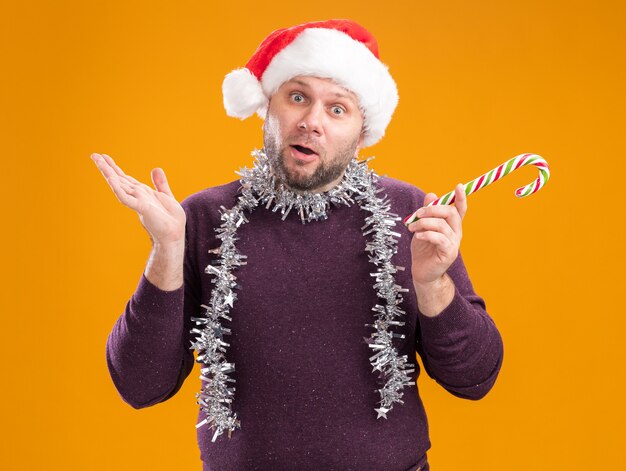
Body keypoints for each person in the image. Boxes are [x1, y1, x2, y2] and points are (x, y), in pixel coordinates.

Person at [93, 19, 503, 471]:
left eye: (338, 109)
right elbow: (139, 384)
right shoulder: (204, 218)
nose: (311, 122)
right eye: (297, 97)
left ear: (363, 130)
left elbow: (475, 378)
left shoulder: (411, 213)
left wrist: (432, 283)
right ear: (268, 105)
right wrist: (167, 250)